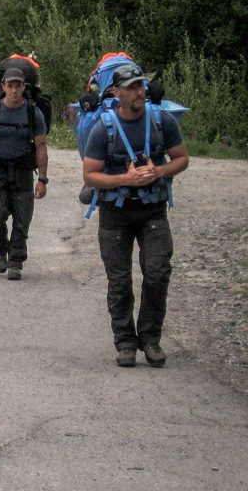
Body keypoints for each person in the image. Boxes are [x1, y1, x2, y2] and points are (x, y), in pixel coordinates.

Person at [82, 64, 189, 368]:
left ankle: (151, 338)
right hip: (115, 213)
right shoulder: (104, 127)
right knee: (119, 282)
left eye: (141, 85)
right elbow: (90, 176)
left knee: (157, 273)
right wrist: (125, 180)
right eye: (132, 87)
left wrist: (159, 171)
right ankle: (126, 342)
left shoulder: (160, 120)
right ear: (117, 93)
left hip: (152, 209)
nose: (139, 92)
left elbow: (182, 158)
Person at [0, 68, 48, 281]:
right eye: (10, 85)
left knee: (22, 221)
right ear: (3, 86)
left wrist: (42, 179)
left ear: (24, 87)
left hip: (24, 172)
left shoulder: (34, 113)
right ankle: (0, 249)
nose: (14, 90)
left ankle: (15, 260)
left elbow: (41, 146)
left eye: (18, 86)